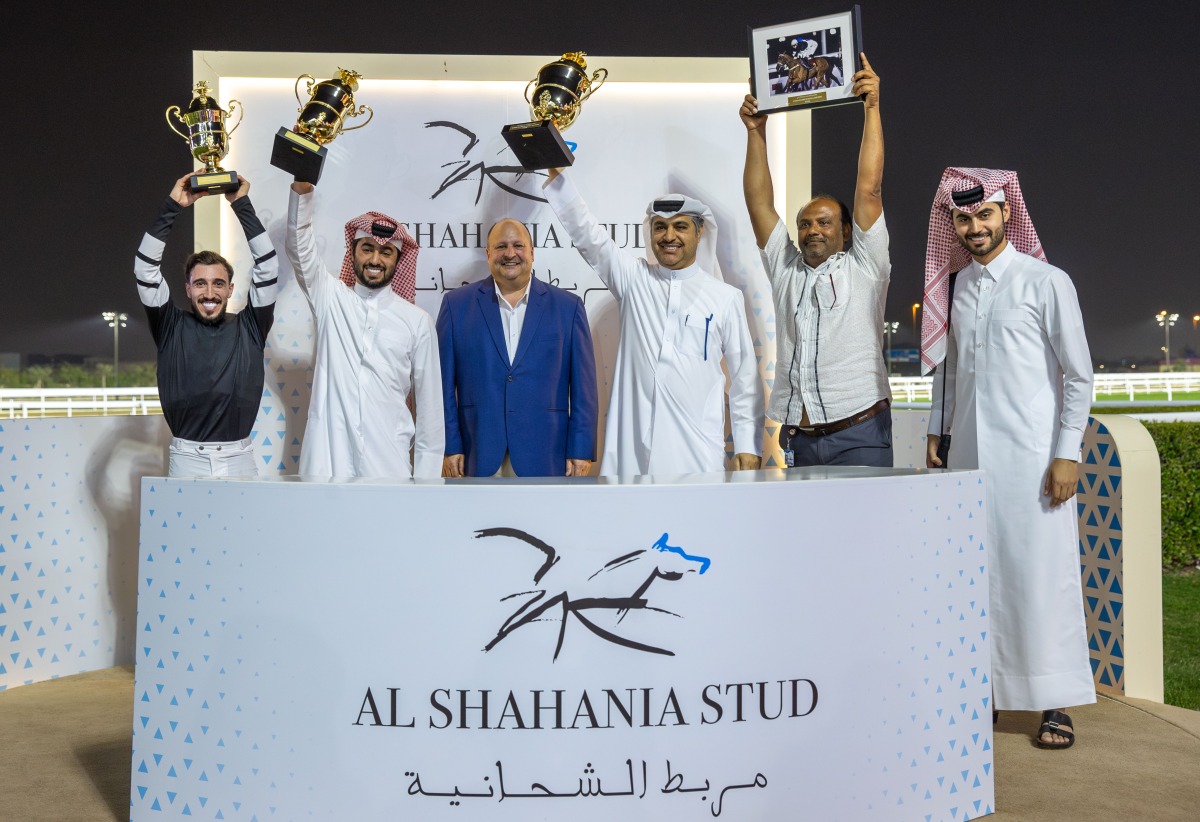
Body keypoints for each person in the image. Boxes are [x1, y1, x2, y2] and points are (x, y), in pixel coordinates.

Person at [923, 167, 1095, 749]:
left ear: (1006, 215)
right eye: (963, 218)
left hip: (1034, 461)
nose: (974, 227)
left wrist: (1066, 454)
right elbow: (952, 372)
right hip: (970, 457)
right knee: (978, 579)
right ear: (954, 223)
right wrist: (936, 430)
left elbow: (1078, 376)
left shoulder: (1046, 281)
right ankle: (988, 692)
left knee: (1038, 577)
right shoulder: (957, 287)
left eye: (984, 215)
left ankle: (1053, 702)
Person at [542, 168, 764, 478]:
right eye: (660, 227)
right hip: (631, 454)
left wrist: (747, 446)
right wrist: (558, 174)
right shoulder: (634, 280)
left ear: (699, 233)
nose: (668, 237)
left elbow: (744, 379)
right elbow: (589, 236)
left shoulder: (725, 298)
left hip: (697, 454)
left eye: (680, 227)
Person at [740, 52, 892, 468]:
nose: (812, 230)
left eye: (824, 223)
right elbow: (758, 203)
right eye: (804, 224)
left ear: (846, 231)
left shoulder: (865, 265)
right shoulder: (785, 268)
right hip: (800, 440)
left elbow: (869, 189)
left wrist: (872, 108)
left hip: (861, 434)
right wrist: (756, 132)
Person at [286, 179, 443, 479]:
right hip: (327, 465)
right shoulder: (330, 299)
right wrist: (302, 188)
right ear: (353, 251)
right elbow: (298, 246)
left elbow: (430, 414)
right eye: (367, 249)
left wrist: (427, 484)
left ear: (398, 260)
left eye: (386, 253)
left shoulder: (417, 321)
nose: (375, 259)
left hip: (388, 467)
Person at [134, 172, 279, 478]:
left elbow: (268, 266)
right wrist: (173, 205)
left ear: (230, 288)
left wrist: (241, 204)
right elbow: (145, 268)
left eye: (218, 284)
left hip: (240, 459)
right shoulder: (169, 325)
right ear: (187, 289)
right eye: (200, 283)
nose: (210, 293)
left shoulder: (252, 326)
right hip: (187, 461)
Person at [436, 218, 598, 477]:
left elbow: (584, 390)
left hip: (546, 453)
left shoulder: (568, 308)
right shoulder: (456, 307)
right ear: (488, 254)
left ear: (532, 252)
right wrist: (449, 444)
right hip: (477, 453)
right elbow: (441, 387)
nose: (510, 254)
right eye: (501, 246)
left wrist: (580, 448)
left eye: (518, 245)